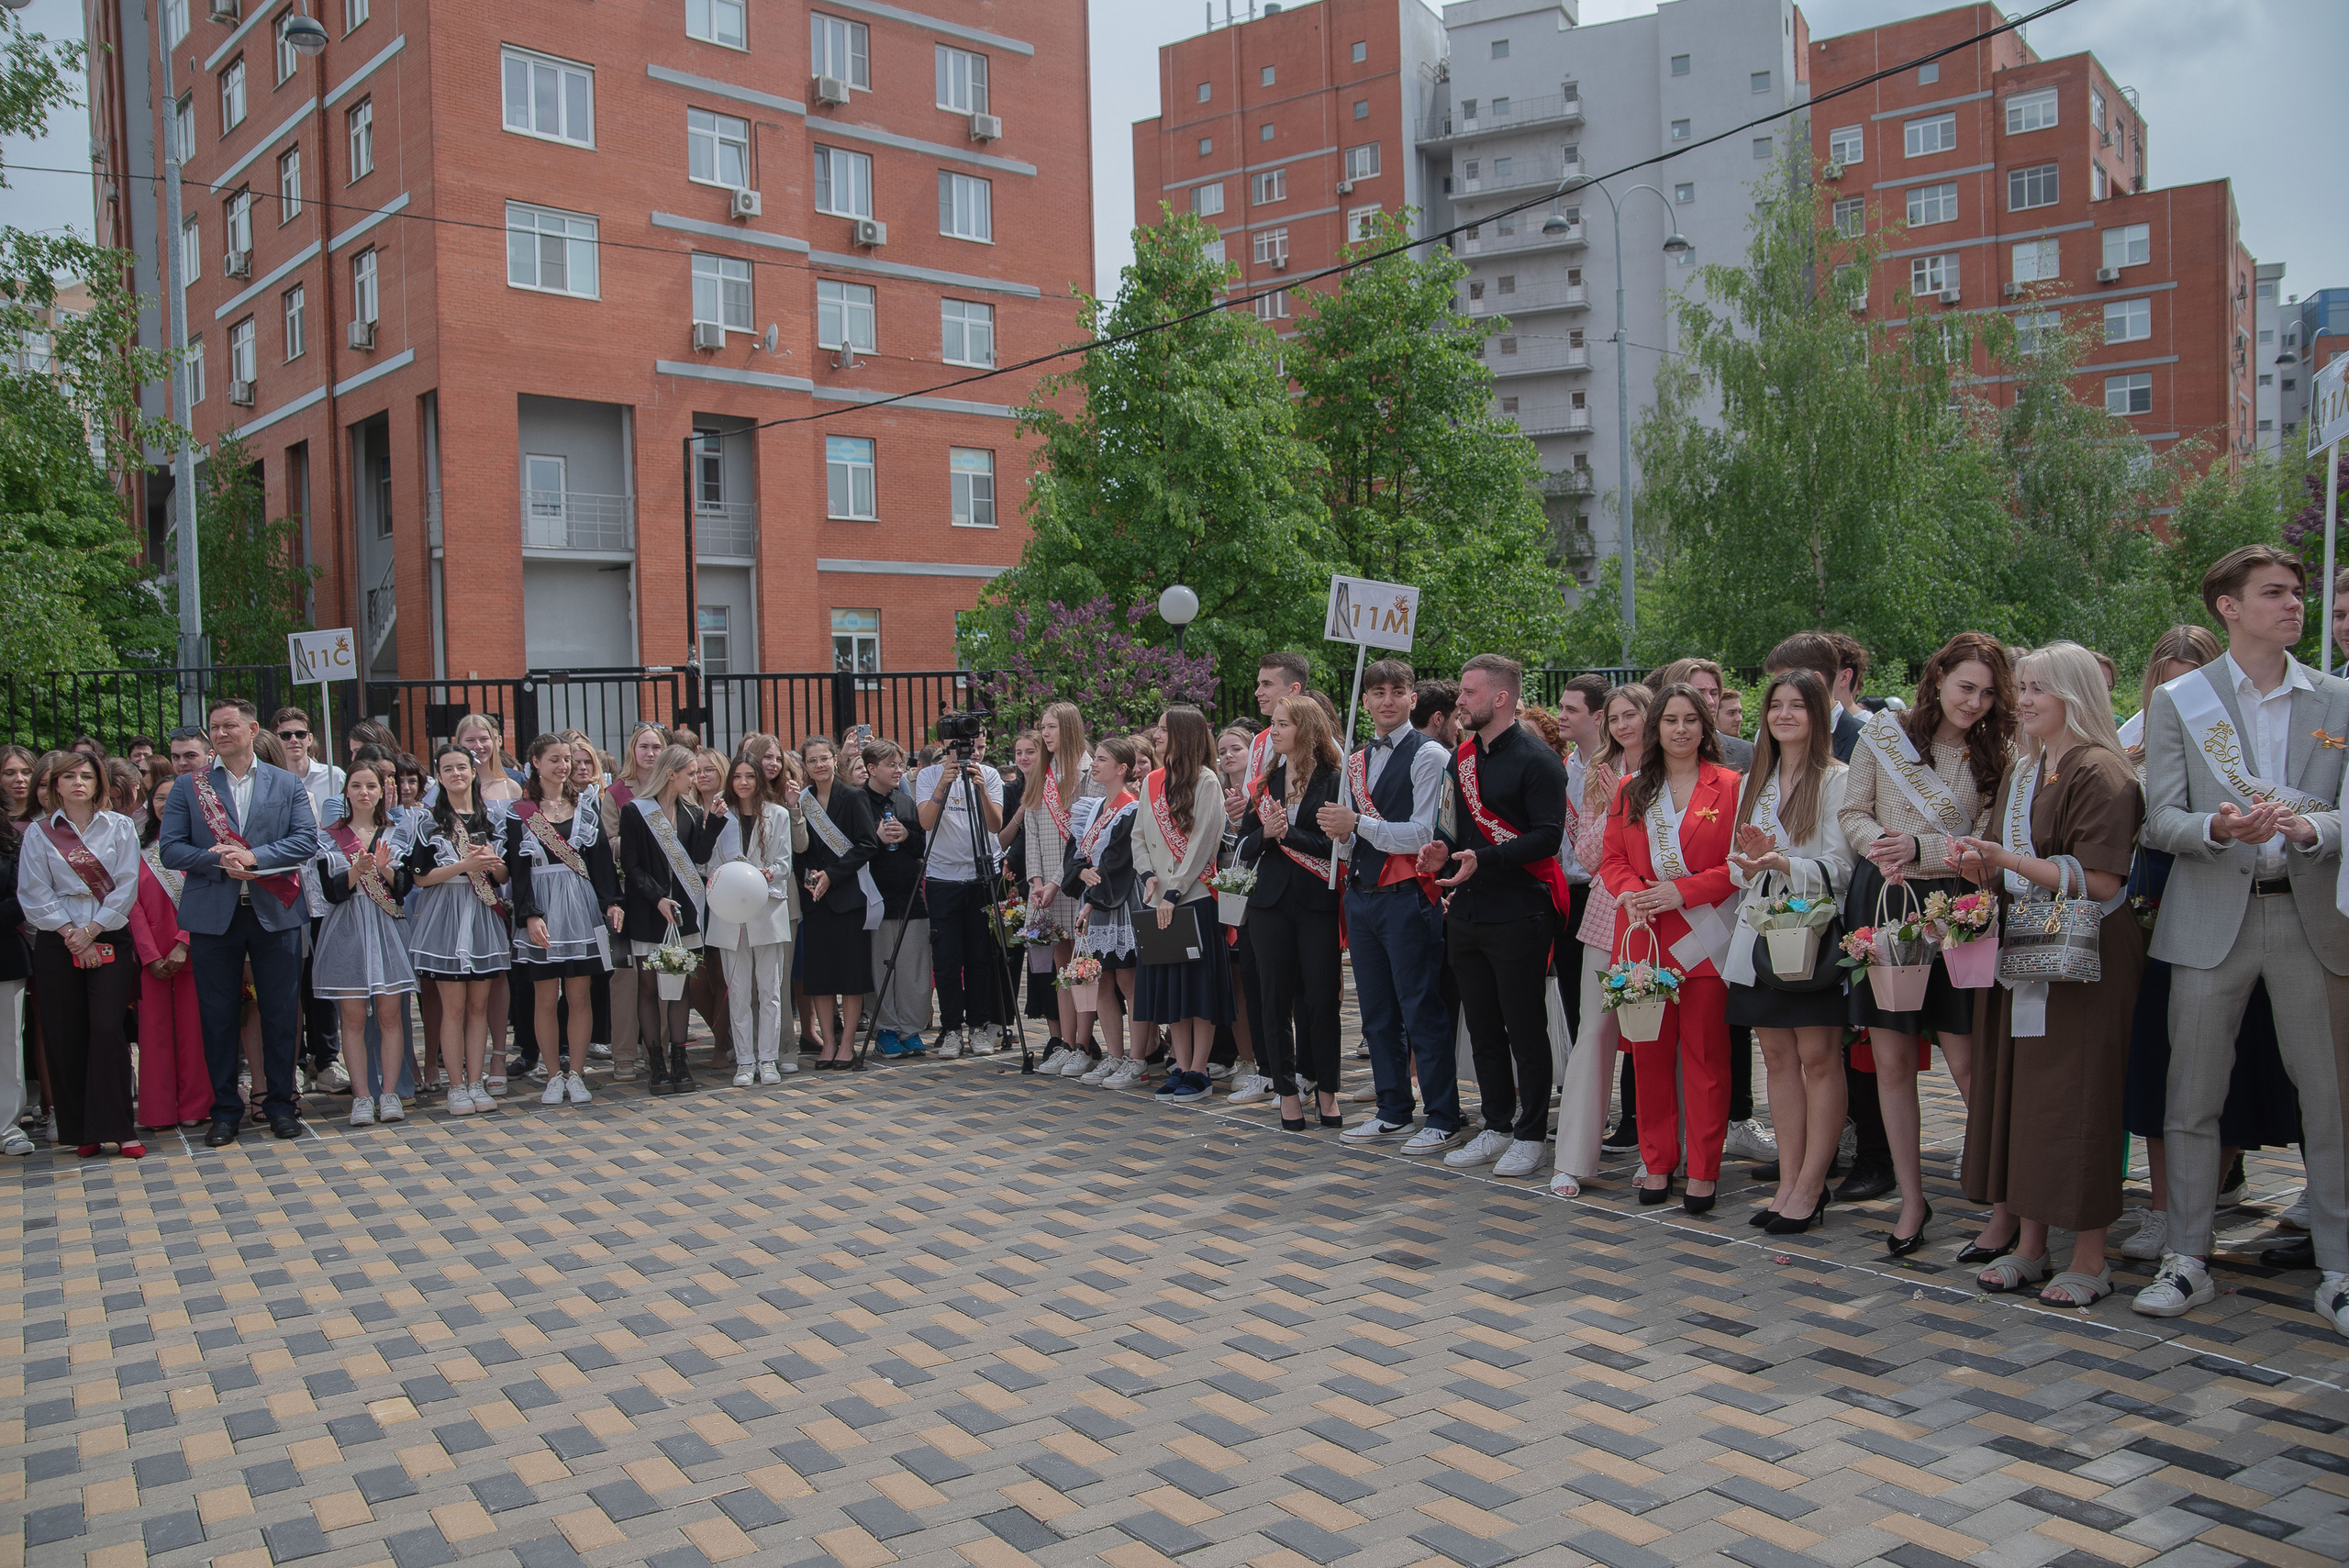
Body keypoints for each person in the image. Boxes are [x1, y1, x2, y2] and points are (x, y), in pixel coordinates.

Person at [2135, 543, 2349, 1338]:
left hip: (2308, 913)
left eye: (2297, 592)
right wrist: (2217, 827)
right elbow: (2159, 816)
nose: (2294, 605)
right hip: (2209, 915)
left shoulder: (2337, 699)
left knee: (2330, 1100)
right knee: (2191, 1097)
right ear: (2228, 606)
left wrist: (2312, 826)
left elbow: (2348, 810)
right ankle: (2187, 1256)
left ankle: (2340, 1268)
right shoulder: (2180, 700)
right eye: (2275, 593)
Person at [1940, 641, 2145, 1305]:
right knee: (2023, 1094)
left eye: (2039, 688)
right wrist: (1982, 866)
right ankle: (2030, 1245)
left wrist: (2011, 861)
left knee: (2078, 1096)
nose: (2023, 699)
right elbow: (2019, 861)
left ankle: (2089, 1255)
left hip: (2084, 961)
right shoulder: (2030, 767)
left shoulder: (2101, 771)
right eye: (2020, 687)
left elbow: (2102, 878)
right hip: (2026, 950)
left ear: (2076, 695)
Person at [2115, 625, 2302, 1266]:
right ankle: (2168, 1206)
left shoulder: (2249, 730)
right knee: (2163, 1064)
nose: (2175, 693)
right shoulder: (2133, 737)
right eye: (2164, 682)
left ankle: (2209, 1194)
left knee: (2237, 1062)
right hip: (2158, 898)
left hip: (2227, 890)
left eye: (2186, 680)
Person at [1838, 631, 2014, 1251]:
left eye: (1989, 692)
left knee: (1968, 1062)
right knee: (1891, 1061)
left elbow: (1989, 841)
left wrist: (1923, 847)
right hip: (1886, 901)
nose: (1976, 702)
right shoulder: (1884, 735)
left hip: (1957, 910)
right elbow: (1853, 811)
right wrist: (1879, 847)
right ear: (1937, 677)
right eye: (1967, 686)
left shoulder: (1997, 753)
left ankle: (2005, 1199)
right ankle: (1912, 1201)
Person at [1418, 655, 1570, 1181]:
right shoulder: (1462, 758)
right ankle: (1497, 1124)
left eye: (1468, 692)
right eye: (1461, 693)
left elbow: (1548, 837)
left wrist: (1486, 858)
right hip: (1468, 909)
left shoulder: (1538, 759)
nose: (1458, 701)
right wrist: (1443, 853)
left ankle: (1531, 1134)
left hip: (1521, 911)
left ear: (1500, 697)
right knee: (1480, 1025)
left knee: (1524, 1026)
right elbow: (1459, 832)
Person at [1603, 684, 1742, 1213]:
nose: (1680, 729)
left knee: (1707, 1059)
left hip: (1707, 938)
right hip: (1646, 940)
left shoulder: (1731, 786)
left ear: (1706, 726)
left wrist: (1681, 890)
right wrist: (1631, 895)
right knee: (1650, 1057)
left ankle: (1704, 1170)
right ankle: (1657, 1162)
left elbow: (1736, 867)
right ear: (1656, 728)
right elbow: (1613, 859)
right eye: (1670, 720)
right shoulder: (1631, 790)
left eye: (1691, 719)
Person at [1721, 670, 1852, 1234]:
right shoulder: (1758, 777)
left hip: (1812, 935)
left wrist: (1783, 864)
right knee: (1776, 1060)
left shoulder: (1838, 780)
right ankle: (1788, 1181)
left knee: (1819, 1060)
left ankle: (1812, 1186)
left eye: (1798, 706)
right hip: (1758, 932)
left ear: (1817, 714)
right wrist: (1749, 864)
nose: (1785, 715)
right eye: (1776, 706)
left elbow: (1847, 868)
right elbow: (1733, 861)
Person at [160, 696, 322, 1145]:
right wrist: (217, 860)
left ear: (253, 730)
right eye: (215, 727)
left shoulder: (286, 783)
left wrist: (253, 856)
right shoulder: (188, 788)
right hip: (214, 916)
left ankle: (280, 1105)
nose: (221, 733)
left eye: (230, 725)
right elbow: (170, 849)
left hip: (276, 912)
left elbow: (306, 841)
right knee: (218, 1017)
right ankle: (225, 1111)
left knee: (281, 1015)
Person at [1321, 660, 1459, 1153]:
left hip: (1407, 896)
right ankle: (1393, 1109)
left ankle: (1442, 1115)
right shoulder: (1357, 759)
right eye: (1377, 692)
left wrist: (1356, 823)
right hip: (1362, 895)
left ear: (1413, 698)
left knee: (1421, 1008)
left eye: (1397, 691)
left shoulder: (1431, 755)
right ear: (1365, 701)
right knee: (1376, 1013)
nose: (1386, 700)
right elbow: (1349, 834)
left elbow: (1424, 832)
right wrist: (1342, 833)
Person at [20, 751, 143, 1157]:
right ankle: (82, 1129)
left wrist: (91, 931)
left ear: (98, 784)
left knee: (108, 1029)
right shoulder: (39, 834)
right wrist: (70, 931)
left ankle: (121, 1128)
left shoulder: (120, 827)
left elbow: (126, 886)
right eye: (69, 776)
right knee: (66, 1031)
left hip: (108, 931)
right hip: (60, 939)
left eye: (87, 776)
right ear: (55, 784)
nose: (78, 783)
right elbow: (33, 891)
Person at [1239, 694, 1344, 1130]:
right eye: (1275, 723)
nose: (1274, 731)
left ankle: (1326, 1090)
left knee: (1321, 1000)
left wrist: (1290, 835)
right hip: (1270, 904)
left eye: (1283, 724)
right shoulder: (1266, 783)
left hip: (1317, 901)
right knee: (1274, 998)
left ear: (1307, 728)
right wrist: (1267, 833)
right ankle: (1286, 1091)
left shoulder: (1334, 779)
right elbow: (1244, 848)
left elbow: (1334, 846)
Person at [505, 735, 621, 1107]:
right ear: (535, 762)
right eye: (554, 759)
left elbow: (601, 862)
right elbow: (518, 871)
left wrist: (611, 903)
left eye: (566, 759)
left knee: (579, 995)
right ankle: (553, 1075)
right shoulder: (519, 811)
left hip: (579, 905)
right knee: (544, 996)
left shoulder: (586, 805)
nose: (563, 766)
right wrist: (530, 915)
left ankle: (578, 1074)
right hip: (542, 905)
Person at [402, 744, 513, 1113]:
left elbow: (502, 876)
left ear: (472, 770)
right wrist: (463, 865)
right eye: (447, 769)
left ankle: (477, 1081)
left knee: (479, 1006)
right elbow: (419, 879)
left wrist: (492, 865)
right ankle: (455, 1086)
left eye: (462, 767)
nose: (456, 774)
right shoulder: (428, 820)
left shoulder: (490, 818)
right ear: (438, 775)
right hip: (444, 913)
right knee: (454, 1008)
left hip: (481, 913)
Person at [1132, 706, 1233, 1098]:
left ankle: (1199, 1069)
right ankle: (1180, 1062)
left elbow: (1201, 844)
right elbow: (1138, 836)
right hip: (1159, 899)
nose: (1155, 735)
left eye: (1163, 730)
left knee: (1199, 987)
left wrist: (1173, 891)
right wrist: (1147, 875)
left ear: (1184, 735)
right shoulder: (1152, 781)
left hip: (1193, 898)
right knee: (1174, 987)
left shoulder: (1207, 781)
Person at [312, 760, 420, 1125]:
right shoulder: (330, 837)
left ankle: (389, 1094)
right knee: (353, 1017)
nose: (363, 793)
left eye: (370, 786)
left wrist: (386, 869)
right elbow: (330, 892)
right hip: (348, 928)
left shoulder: (396, 832)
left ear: (381, 791)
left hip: (387, 926)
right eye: (356, 786)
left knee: (390, 1016)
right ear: (346, 792)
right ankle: (361, 1096)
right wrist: (356, 872)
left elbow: (404, 888)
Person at [1573, 684, 1651, 1179]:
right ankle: (1577, 1158)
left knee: (1655, 1037)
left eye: (1632, 715)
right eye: (1615, 718)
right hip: (1606, 917)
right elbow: (1587, 858)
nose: (1623, 726)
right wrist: (1603, 809)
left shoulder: (1671, 775)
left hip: (1662, 917)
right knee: (1594, 1032)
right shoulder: (1598, 777)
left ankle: (1660, 1153)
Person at [619, 742, 727, 1089]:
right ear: (671, 774)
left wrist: (715, 823)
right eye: (691, 773)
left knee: (680, 984)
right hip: (649, 911)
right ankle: (656, 1061)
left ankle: (680, 1061)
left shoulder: (693, 813)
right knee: (649, 987)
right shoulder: (636, 811)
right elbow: (631, 865)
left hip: (683, 910)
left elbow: (697, 857)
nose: (697, 779)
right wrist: (657, 898)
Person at [1062, 738, 1147, 1088]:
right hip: (1093, 899)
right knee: (1100, 982)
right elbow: (1076, 853)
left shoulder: (1132, 808)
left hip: (1119, 901)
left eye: (1101, 759)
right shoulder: (1092, 807)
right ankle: (1114, 1054)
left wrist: (1092, 899)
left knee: (1129, 981)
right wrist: (1080, 872)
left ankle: (1138, 1058)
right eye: (1095, 758)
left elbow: (1118, 861)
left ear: (1122, 769)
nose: (1093, 764)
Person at [914, 735, 1006, 1058]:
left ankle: (979, 1027)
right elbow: (925, 821)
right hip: (942, 877)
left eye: (976, 745)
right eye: (959, 744)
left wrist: (980, 788)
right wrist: (943, 782)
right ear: (944, 744)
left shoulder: (990, 775)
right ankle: (951, 1028)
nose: (969, 752)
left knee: (981, 957)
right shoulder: (927, 775)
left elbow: (995, 825)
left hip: (982, 875)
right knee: (947, 958)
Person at [709, 753, 799, 1083]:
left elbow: (784, 864)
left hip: (767, 909)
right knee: (738, 992)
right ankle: (745, 1060)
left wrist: (766, 872)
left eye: (750, 776)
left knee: (770, 991)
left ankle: (768, 1059)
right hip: (730, 913)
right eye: (737, 776)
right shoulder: (722, 815)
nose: (743, 782)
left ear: (759, 780)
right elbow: (711, 863)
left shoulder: (777, 814)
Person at [794, 737, 880, 1069]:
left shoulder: (854, 796)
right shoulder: (802, 800)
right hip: (816, 900)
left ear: (835, 760)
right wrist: (809, 877)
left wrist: (832, 874)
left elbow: (866, 845)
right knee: (821, 976)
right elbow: (797, 850)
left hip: (848, 899)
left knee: (850, 975)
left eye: (824, 758)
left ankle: (847, 1044)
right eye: (812, 760)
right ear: (805, 765)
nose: (819, 765)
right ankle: (827, 1042)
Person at [132, 776, 208, 1132]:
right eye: (159, 798)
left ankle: (195, 1105)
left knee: (194, 1035)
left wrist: (183, 942)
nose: (165, 804)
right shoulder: (137, 849)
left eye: (173, 797)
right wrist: (148, 954)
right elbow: (130, 905)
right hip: (151, 959)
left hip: (193, 950)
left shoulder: (198, 846)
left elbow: (207, 895)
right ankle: (157, 1111)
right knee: (154, 1036)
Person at [1022, 705, 1097, 1072]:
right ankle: (1066, 1042)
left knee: (1081, 966)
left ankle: (1083, 1045)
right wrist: (1036, 881)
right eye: (1042, 727)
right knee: (1060, 965)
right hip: (1046, 886)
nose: (1045, 733)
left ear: (1068, 728)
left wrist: (1053, 881)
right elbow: (1031, 831)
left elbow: (1081, 837)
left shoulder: (1089, 771)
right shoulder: (1042, 771)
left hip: (1073, 881)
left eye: (1052, 727)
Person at [859, 740, 929, 1060]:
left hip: (910, 894)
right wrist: (876, 838)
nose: (899, 770)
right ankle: (885, 1027)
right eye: (891, 764)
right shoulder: (857, 801)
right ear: (872, 769)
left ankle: (911, 1028)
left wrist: (907, 835)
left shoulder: (905, 801)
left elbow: (920, 846)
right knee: (880, 964)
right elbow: (853, 848)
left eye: (901, 764)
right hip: (877, 896)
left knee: (913, 964)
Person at [0, 761, 33, 1156]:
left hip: (3, 955)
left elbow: (20, 897)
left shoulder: (10, 839)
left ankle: (8, 1126)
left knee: (8, 1043)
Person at [1652, 658, 1753, 773]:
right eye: (1700, 693)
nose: (1711, 701)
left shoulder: (1746, 753)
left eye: (1714, 693)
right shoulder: (1648, 755)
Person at [1414, 680, 1462, 749]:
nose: (1460, 727)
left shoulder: (1399, 748)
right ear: (1438, 719)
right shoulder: (1436, 754)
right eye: (1456, 718)